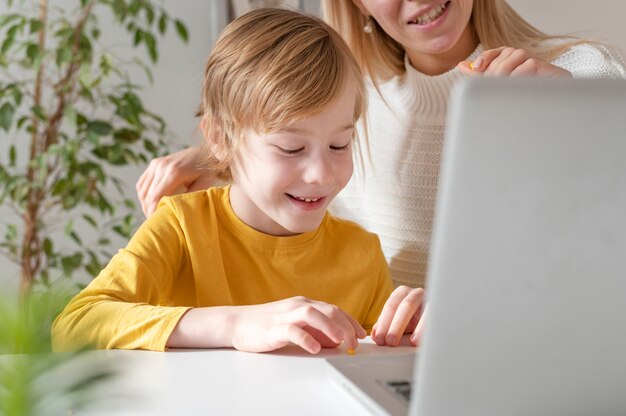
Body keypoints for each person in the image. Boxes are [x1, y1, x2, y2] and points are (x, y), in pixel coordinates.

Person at [135, 0, 626, 291]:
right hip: (392, 368)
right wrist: (223, 160)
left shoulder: (584, 73)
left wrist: (574, 120)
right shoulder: (346, 110)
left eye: (336, 145)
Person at [52, 8, 425, 353]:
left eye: (339, 144)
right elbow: (74, 326)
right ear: (219, 138)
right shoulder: (182, 226)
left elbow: (384, 363)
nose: (322, 173)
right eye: (292, 148)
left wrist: (423, 331)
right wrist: (236, 324)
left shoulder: (362, 254)